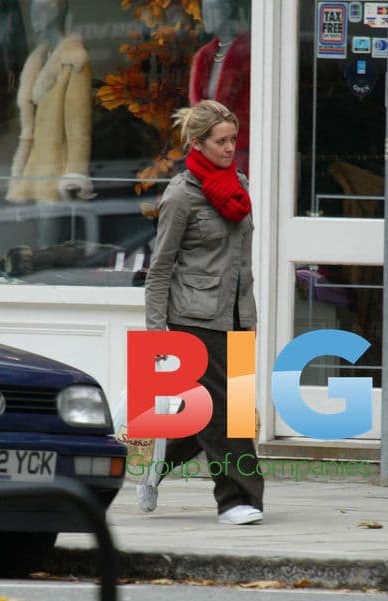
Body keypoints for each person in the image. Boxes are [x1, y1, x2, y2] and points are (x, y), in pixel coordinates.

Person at [144, 99, 264, 525]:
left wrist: (247, 311)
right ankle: (236, 500)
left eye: (233, 139)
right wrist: (156, 335)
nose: (230, 147)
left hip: (238, 314)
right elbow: (159, 271)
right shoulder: (180, 196)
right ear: (197, 143)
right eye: (221, 141)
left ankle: (155, 465)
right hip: (194, 317)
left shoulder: (240, 186)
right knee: (220, 413)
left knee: (228, 411)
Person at [6, 0, 93, 203]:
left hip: (56, 173)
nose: (33, 15)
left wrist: (75, 176)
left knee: (51, 235)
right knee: (36, 236)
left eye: (39, 9)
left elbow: (78, 129)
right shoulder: (38, 59)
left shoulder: (74, 60)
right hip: (33, 171)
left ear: (53, 12)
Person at [190, 0, 250, 174]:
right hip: (209, 151)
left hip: (239, 150)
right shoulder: (204, 56)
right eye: (204, 10)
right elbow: (197, 106)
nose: (207, 16)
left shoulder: (246, 53)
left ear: (228, 11)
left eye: (213, 9)